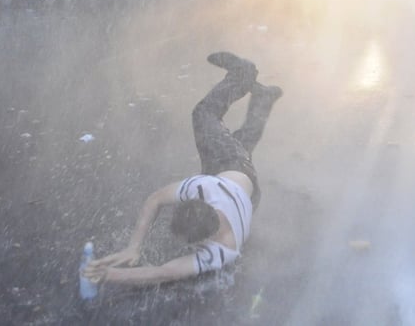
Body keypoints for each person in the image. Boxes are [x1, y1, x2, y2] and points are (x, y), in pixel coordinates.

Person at [84, 52, 283, 286]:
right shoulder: (205, 191)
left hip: (239, 182)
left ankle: (243, 75)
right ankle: (263, 98)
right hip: (233, 171)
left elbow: (162, 273)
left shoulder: (222, 248)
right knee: (238, 145)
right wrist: (132, 247)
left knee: (205, 115)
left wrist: (108, 275)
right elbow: (155, 199)